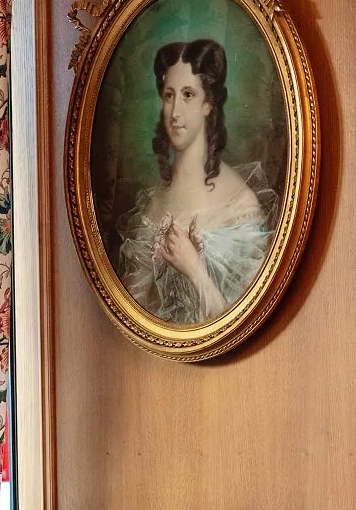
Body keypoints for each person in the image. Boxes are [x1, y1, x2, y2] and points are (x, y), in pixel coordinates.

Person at [117, 39, 278, 324]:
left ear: (209, 103)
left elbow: (247, 322)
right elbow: (134, 312)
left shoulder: (239, 205)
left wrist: (194, 269)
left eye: (188, 94)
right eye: (169, 95)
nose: (175, 112)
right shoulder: (152, 202)